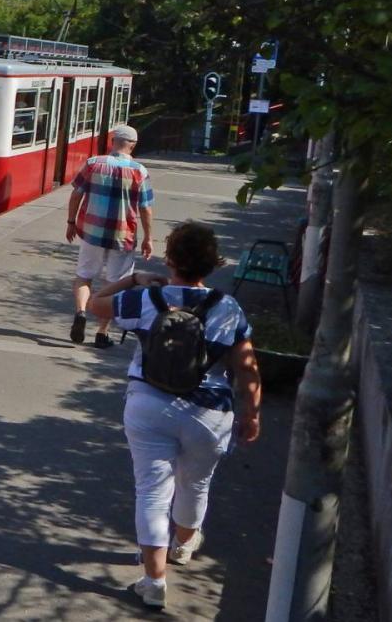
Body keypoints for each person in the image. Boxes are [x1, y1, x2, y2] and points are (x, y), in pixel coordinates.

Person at [87, 221, 262, 611]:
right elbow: (246, 367)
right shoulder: (228, 307)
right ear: (213, 263)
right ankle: (183, 546)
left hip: (148, 405)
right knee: (195, 485)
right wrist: (251, 413)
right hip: (209, 412)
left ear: (170, 260)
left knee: (152, 490)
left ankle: (153, 582)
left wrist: (132, 279)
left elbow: (93, 305)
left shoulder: (148, 298)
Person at [66, 123, 154, 348]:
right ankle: (102, 333)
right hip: (123, 236)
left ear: (113, 142)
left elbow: (76, 195)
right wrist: (148, 238)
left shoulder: (93, 163)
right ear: (132, 146)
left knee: (84, 275)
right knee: (115, 284)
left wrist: (71, 222)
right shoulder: (140, 171)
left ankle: (81, 312)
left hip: (91, 232)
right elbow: (145, 208)